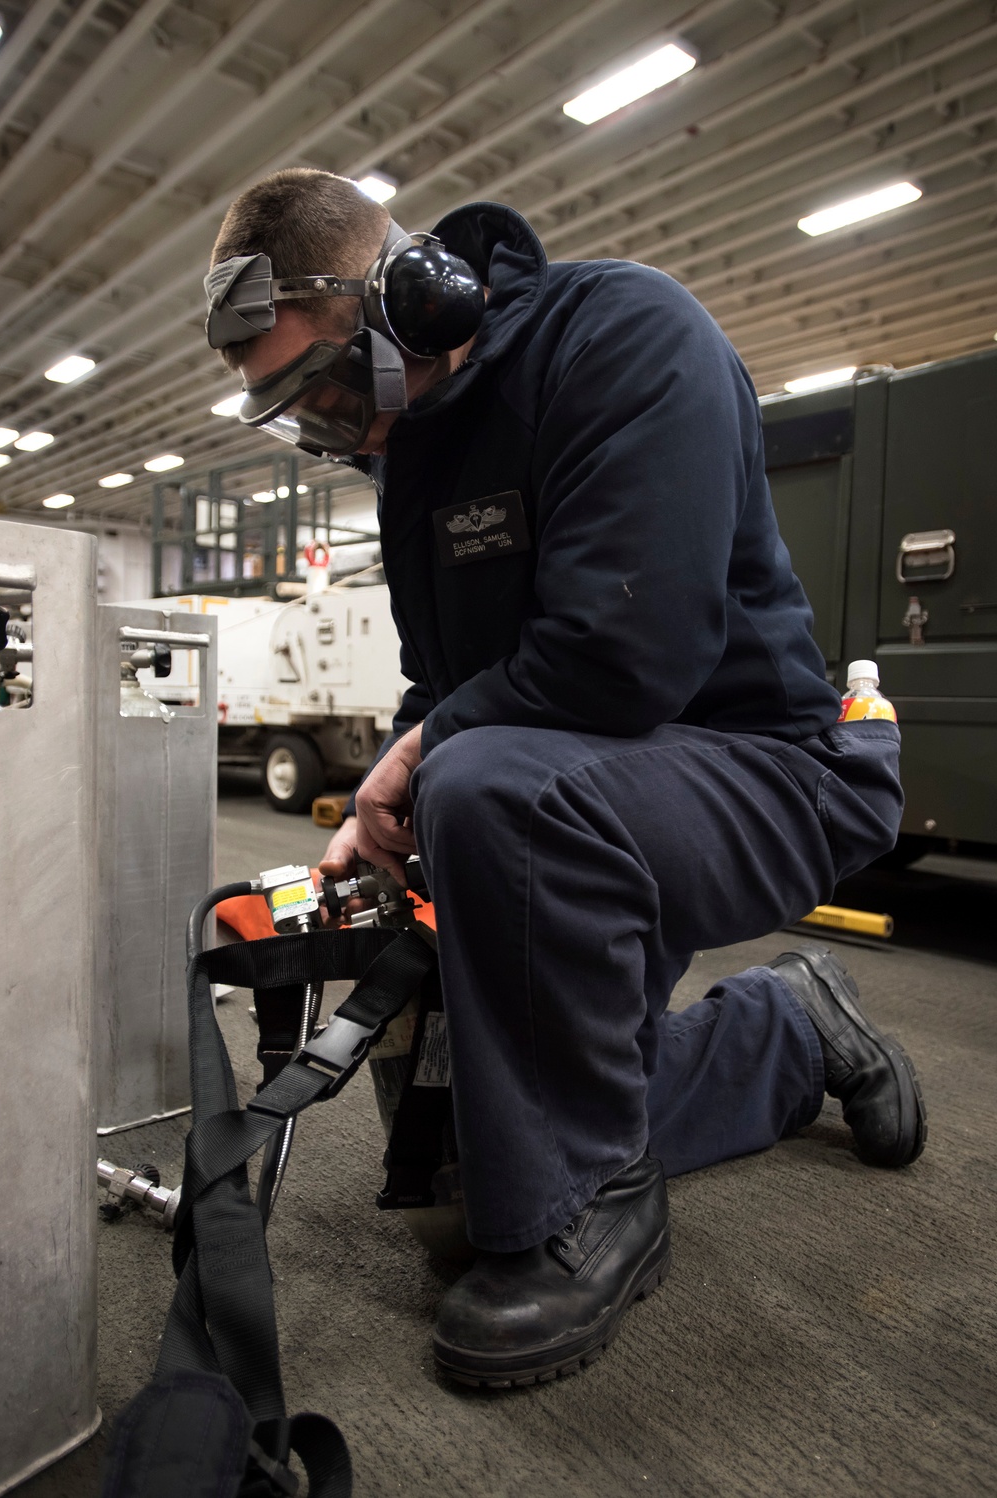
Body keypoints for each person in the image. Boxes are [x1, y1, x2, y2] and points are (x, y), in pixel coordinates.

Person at [206, 168, 926, 1389]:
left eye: (332, 385)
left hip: (775, 768)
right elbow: (450, 688)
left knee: (485, 793)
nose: (340, 428)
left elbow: (625, 652)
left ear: (415, 297)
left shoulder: (629, 334)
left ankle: (592, 1195)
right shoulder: (417, 461)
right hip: (589, 780)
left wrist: (418, 764)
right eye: (303, 416)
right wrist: (374, 816)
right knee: (474, 1136)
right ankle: (786, 1028)